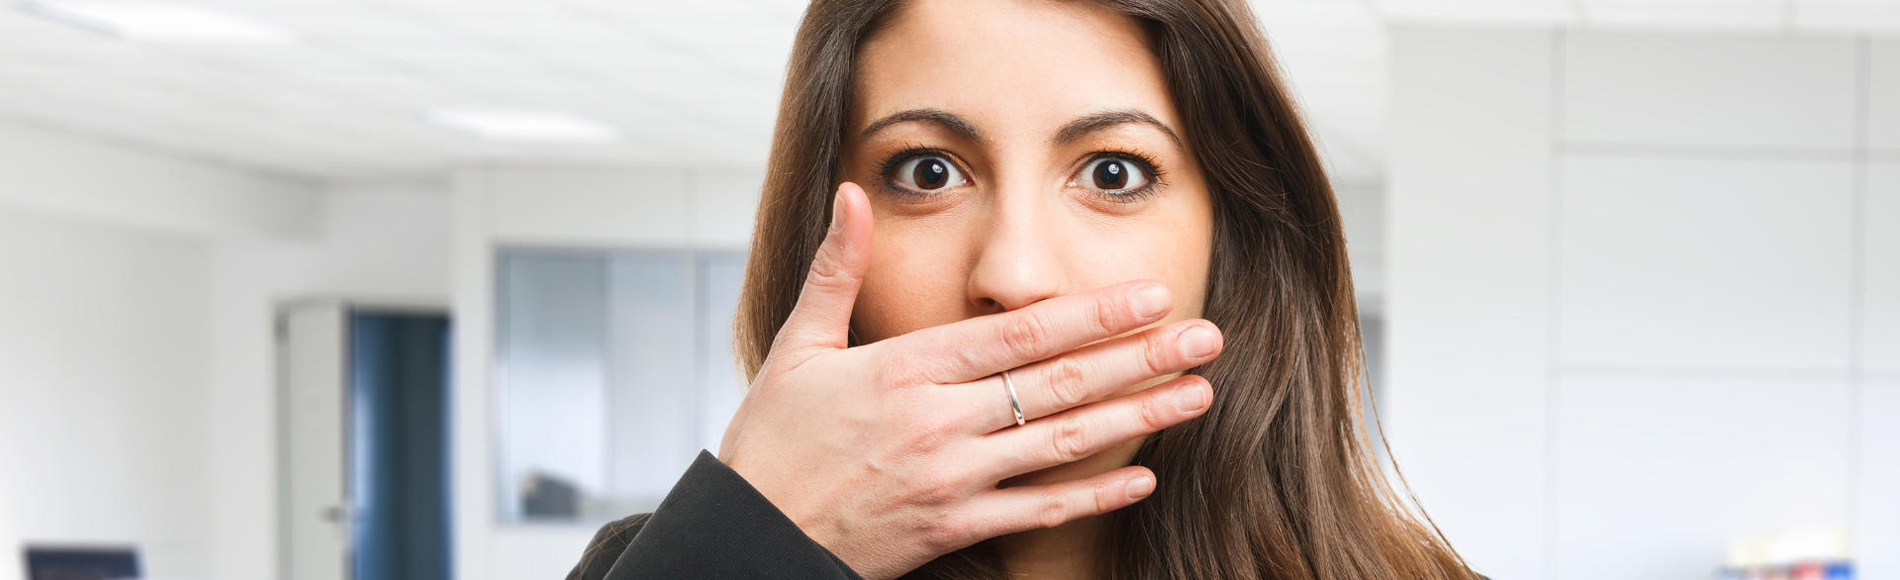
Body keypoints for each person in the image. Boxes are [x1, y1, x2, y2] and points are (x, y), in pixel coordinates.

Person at [567, 0, 1484, 578]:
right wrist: (760, 542)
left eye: (1114, 173)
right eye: (928, 172)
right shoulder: (671, 561)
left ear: (1232, 239)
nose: (1014, 276)